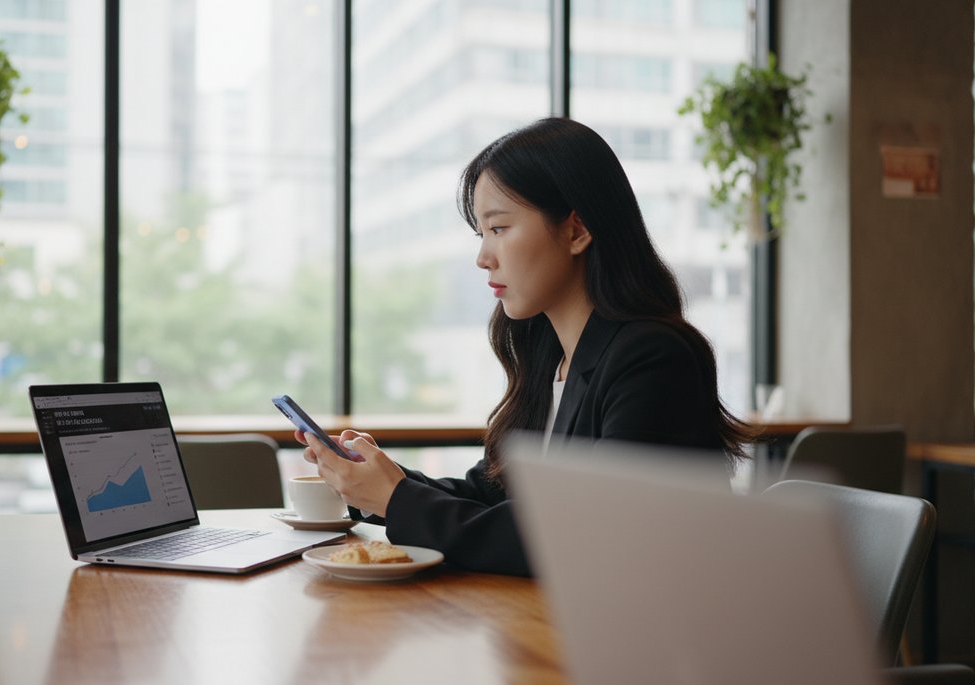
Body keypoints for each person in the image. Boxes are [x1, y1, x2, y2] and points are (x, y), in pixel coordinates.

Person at [297, 117, 752, 576]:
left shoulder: (652, 359)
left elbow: (582, 538)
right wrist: (378, 480)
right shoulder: (550, 357)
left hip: (651, 638)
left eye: (499, 229)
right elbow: (492, 494)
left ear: (576, 231)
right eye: (482, 234)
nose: (483, 257)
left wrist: (396, 499)